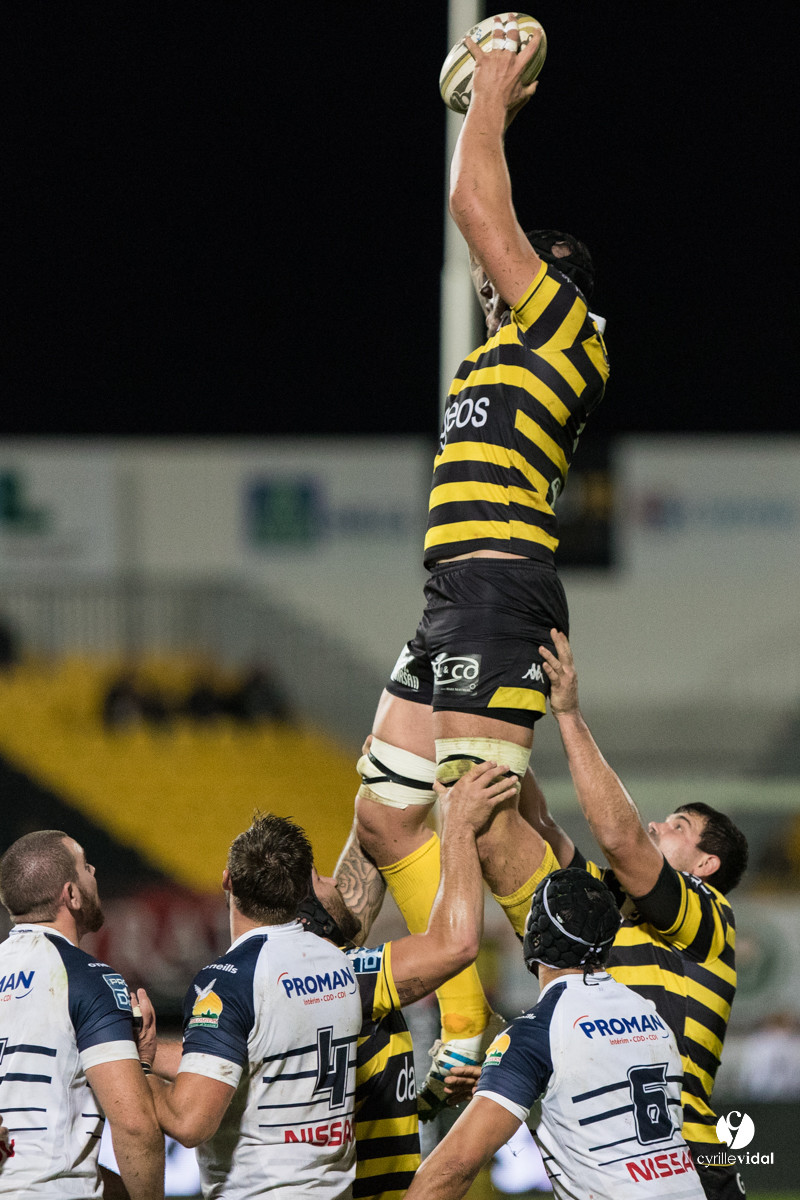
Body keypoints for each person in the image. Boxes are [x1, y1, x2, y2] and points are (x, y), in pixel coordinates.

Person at [350, 12, 610, 1110]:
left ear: (550, 278)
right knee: (381, 812)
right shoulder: (505, 336)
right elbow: (478, 222)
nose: (492, 271)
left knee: (490, 825)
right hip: (449, 595)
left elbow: (474, 204)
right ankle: (460, 1027)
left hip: (497, 587)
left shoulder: (563, 328)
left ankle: (587, 1014)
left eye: (513, 262)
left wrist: (494, 84)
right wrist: (481, 114)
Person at [505, 629, 749, 1200]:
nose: (657, 826)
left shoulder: (710, 917)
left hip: (687, 1165)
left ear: (706, 864)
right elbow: (538, 824)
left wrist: (567, 712)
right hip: (610, 1168)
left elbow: (619, 837)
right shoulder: (606, 902)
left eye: (678, 828)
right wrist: (500, 719)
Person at [405, 868, 705, 1200]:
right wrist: (505, 1078)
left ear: (535, 937)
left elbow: (452, 1169)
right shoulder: (647, 1012)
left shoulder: (538, 1030)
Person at [305, 762, 521, 1200]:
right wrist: (455, 823)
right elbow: (453, 944)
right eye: (318, 879)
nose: (332, 879)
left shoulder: (306, 975)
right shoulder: (342, 975)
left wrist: (378, 794)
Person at [134, 812, 364, 1199]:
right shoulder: (337, 961)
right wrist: (149, 1049)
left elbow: (190, 1122)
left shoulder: (229, 981)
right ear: (302, 889)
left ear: (227, 880)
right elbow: (250, 1059)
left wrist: (130, 1067)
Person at [0, 830, 165, 1199]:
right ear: (71, 895)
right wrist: (143, 1067)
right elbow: (134, 1126)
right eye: (85, 864)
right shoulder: (92, 979)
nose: (94, 870)